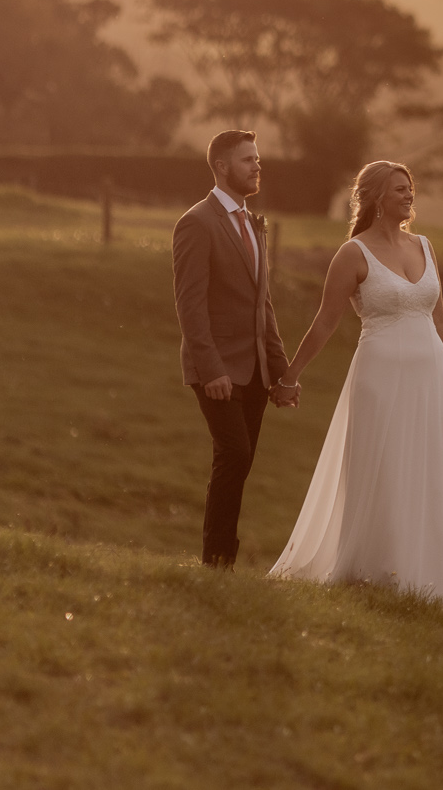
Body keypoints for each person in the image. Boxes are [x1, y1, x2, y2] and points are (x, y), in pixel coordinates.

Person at [269, 159, 443, 604]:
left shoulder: (424, 246)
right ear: (377, 198)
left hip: (430, 376)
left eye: (410, 189)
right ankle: (374, 570)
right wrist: (290, 375)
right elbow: (325, 321)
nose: (409, 196)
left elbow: (441, 320)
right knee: (383, 469)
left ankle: (433, 579)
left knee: (431, 470)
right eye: (399, 189)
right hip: (380, 375)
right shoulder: (353, 254)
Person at [172, 129, 295, 569]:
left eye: (257, 159)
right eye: (247, 160)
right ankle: (217, 558)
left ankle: (221, 561)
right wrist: (211, 369)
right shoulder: (196, 222)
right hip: (217, 370)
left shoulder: (254, 223)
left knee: (240, 464)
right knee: (234, 455)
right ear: (222, 167)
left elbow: (263, 304)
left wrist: (282, 372)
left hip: (256, 372)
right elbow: (190, 304)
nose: (257, 166)